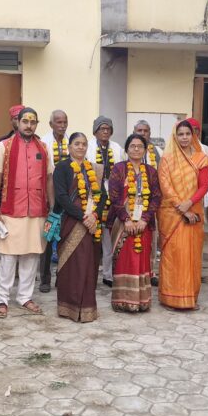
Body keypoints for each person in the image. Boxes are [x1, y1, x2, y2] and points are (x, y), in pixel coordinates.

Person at [0, 107, 53, 318]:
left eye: (33, 122)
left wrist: (52, 209)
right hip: (10, 210)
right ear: (17, 122)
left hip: (37, 210)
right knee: (8, 257)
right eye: (25, 121)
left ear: (37, 124)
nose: (28, 125)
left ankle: (25, 297)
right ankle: (3, 299)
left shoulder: (44, 148)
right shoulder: (4, 146)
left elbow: (49, 179)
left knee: (31, 255)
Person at [157, 120, 208, 310]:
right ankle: (169, 298)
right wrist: (181, 207)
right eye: (180, 134)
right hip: (172, 214)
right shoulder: (167, 159)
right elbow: (165, 186)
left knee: (191, 256)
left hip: (194, 212)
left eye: (188, 134)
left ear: (193, 135)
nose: (184, 137)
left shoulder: (201, 158)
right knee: (173, 255)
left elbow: (204, 186)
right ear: (175, 136)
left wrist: (189, 204)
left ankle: (189, 298)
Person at [108, 134, 162, 312]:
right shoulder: (119, 169)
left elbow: (156, 197)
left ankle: (141, 300)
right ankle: (123, 301)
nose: (136, 149)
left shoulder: (151, 172)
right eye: (132, 146)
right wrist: (126, 219)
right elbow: (114, 196)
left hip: (143, 225)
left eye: (140, 146)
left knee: (141, 259)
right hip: (123, 224)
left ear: (145, 150)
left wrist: (145, 219)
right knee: (125, 259)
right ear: (127, 149)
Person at [53, 132, 103, 322]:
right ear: (69, 147)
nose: (81, 147)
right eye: (77, 144)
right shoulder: (62, 167)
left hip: (91, 223)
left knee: (87, 264)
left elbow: (103, 196)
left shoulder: (93, 168)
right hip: (70, 221)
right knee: (71, 265)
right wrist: (83, 216)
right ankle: (69, 307)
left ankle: (87, 308)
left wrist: (94, 215)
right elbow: (62, 197)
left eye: (84, 144)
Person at [86, 116, 125, 287]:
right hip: (92, 198)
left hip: (112, 199)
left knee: (108, 239)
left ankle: (108, 275)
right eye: (102, 128)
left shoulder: (117, 148)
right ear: (95, 131)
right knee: (91, 240)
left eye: (108, 129)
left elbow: (122, 171)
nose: (105, 131)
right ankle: (89, 275)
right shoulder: (88, 147)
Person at [39, 110, 69, 293]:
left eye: (65, 122)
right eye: (58, 122)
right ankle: (45, 279)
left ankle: (62, 277)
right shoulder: (43, 142)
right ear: (51, 124)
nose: (62, 125)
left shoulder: (71, 141)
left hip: (67, 198)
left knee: (65, 236)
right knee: (48, 238)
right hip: (48, 198)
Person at [133, 120, 163, 286]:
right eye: (140, 130)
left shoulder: (157, 151)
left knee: (152, 238)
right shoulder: (128, 149)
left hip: (151, 201)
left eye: (145, 130)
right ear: (134, 131)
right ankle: (133, 270)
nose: (143, 133)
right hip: (131, 201)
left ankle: (151, 272)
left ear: (149, 133)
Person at [187, 118, 208, 222]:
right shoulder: (179, 149)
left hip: (201, 195)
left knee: (199, 224)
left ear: (199, 132)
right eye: (190, 129)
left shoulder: (206, 150)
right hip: (183, 196)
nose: (193, 132)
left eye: (196, 129)